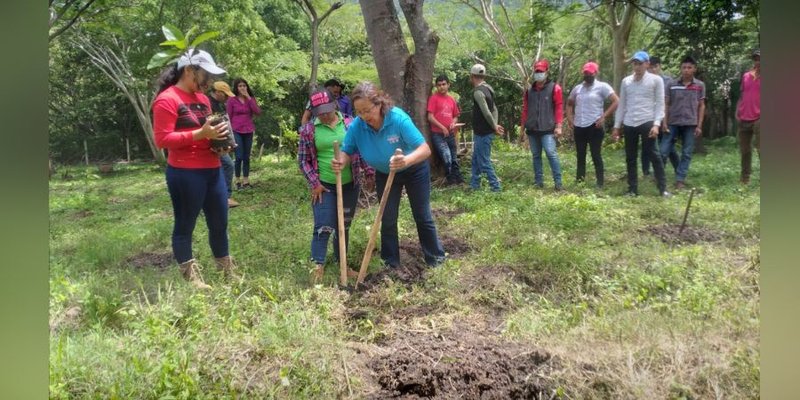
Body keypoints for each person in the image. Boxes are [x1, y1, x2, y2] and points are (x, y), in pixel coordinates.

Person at [332, 81, 446, 268]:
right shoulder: (357, 126)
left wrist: (405, 161)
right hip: (385, 173)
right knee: (388, 217)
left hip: (414, 170)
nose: (363, 116)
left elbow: (425, 150)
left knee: (422, 215)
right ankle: (390, 263)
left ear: (379, 104)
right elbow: (348, 150)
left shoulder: (398, 119)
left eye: (367, 110)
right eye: (358, 112)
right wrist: (341, 161)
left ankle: (436, 259)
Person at [152, 48, 238, 289]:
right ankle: (192, 279)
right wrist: (200, 133)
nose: (209, 80)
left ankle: (226, 271)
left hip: (212, 169)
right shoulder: (167, 99)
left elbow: (208, 135)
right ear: (190, 70)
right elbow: (163, 139)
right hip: (185, 172)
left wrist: (220, 144)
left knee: (219, 222)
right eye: (206, 74)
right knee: (185, 225)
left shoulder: (202, 99)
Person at [298, 89, 375, 283]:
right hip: (324, 186)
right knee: (323, 225)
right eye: (319, 112)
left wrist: (369, 173)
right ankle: (317, 267)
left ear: (335, 104)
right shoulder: (309, 130)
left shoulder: (350, 124)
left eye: (327, 110)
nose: (324, 115)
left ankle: (343, 264)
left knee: (344, 225)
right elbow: (303, 161)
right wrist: (314, 183)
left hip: (350, 183)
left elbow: (361, 150)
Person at [612, 50, 670, 197]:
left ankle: (662, 188)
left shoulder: (656, 80)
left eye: (640, 64)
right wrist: (617, 126)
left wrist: (657, 124)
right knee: (630, 157)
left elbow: (660, 104)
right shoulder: (626, 81)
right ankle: (632, 189)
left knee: (654, 154)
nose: (637, 67)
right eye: (635, 64)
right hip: (630, 122)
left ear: (647, 64)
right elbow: (622, 104)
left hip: (647, 121)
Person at [566, 61, 619, 188]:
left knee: (596, 155)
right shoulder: (577, 89)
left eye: (590, 73)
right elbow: (569, 104)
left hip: (595, 126)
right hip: (579, 126)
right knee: (580, 155)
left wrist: (604, 117)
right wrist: (570, 119)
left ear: (595, 73)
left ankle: (600, 183)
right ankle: (580, 181)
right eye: (585, 73)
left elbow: (616, 101)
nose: (587, 75)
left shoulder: (602, 87)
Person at [662, 55, 706, 189]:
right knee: (663, 151)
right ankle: (659, 175)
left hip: (690, 123)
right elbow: (666, 104)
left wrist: (699, 125)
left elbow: (702, 105)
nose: (686, 70)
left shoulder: (699, 85)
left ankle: (680, 179)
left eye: (689, 67)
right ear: (680, 69)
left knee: (686, 153)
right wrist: (664, 122)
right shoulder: (671, 84)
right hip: (672, 122)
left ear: (694, 69)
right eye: (684, 67)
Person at [521, 59, 564, 190]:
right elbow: (525, 110)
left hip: (548, 129)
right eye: (537, 71)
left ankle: (558, 183)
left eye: (541, 71)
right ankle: (538, 181)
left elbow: (558, 107)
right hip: (533, 129)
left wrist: (559, 126)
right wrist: (522, 130)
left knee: (551, 154)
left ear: (547, 72)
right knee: (536, 156)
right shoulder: (529, 91)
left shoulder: (555, 88)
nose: (538, 73)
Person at [468, 64, 505, 192]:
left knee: (483, 161)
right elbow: (495, 109)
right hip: (483, 132)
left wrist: (494, 126)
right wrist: (495, 124)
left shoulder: (478, 92)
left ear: (472, 76)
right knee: (476, 160)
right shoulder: (488, 88)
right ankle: (474, 186)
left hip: (483, 133)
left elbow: (487, 112)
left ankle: (496, 187)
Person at [427, 74, 465, 186]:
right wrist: (442, 127)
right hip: (438, 134)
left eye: (444, 84)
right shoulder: (434, 98)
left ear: (448, 85)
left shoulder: (451, 99)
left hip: (451, 134)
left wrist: (453, 122)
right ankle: (450, 179)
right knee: (447, 156)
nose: (441, 87)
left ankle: (459, 179)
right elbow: (430, 117)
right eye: (439, 85)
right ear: (436, 86)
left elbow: (456, 115)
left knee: (453, 157)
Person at [227, 78, 261, 189]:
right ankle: (237, 181)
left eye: (244, 86)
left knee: (246, 157)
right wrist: (229, 133)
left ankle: (246, 181)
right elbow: (228, 116)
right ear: (236, 88)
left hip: (248, 130)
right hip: (236, 130)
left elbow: (257, 112)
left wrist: (249, 98)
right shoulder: (232, 100)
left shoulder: (251, 99)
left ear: (247, 87)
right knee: (239, 156)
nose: (242, 88)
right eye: (240, 86)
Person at [210, 81, 239, 207]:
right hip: (211, 144)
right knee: (228, 165)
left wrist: (229, 142)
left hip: (220, 143)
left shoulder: (219, 105)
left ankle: (222, 197)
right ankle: (223, 198)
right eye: (225, 94)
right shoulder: (208, 103)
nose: (227, 98)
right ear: (217, 92)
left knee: (225, 166)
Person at [648, 56, 679, 174]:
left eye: (655, 67)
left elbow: (672, 102)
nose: (653, 70)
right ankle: (649, 171)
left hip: (666, 119)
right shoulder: (645, 81)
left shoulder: (669, 81)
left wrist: (669, 119)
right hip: (651, 117)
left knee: (666, 146)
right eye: (650, 67)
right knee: (653, 145)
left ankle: (662, 172)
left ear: (660, 66)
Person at [736, 48, 760, 185]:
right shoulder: (746, 76)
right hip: (744, 117)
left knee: (761, 147)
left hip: (760, 117)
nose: (758, 62)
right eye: (756, 59)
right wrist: (737, 111)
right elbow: (742, 95)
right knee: (745, 150)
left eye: (760, 59)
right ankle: (745, 179)